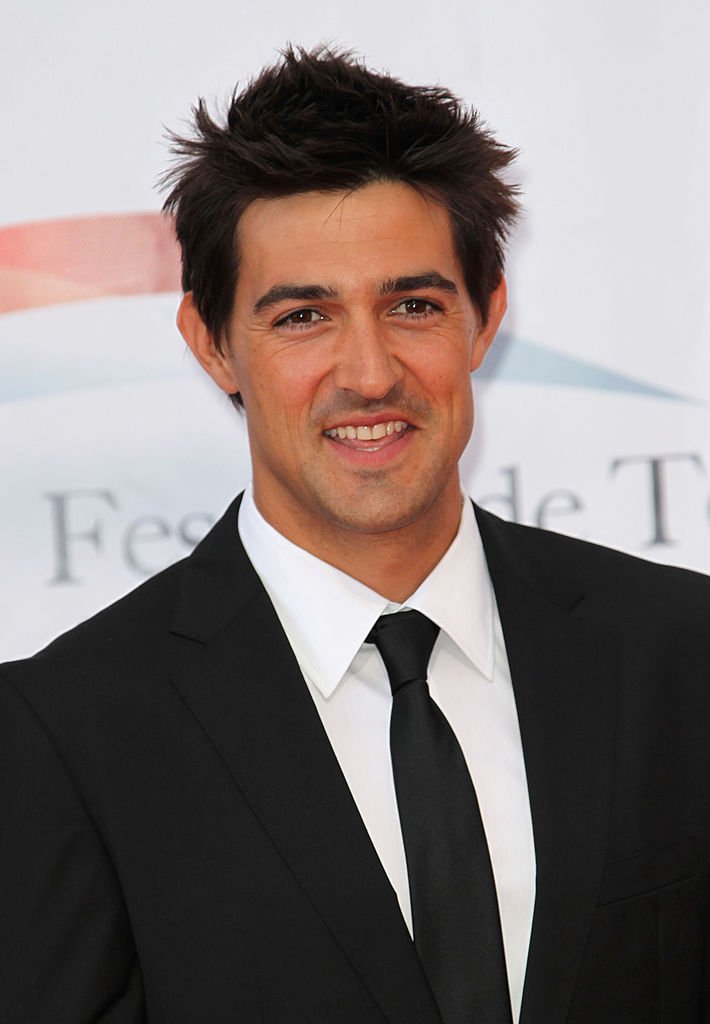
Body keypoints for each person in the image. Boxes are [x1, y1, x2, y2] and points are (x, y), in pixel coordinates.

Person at [1, 46, 709, 1024]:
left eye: (411, 305)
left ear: (485, 317)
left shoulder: (680, 653)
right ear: (212, 344)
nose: (369, 372)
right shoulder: (65, 733)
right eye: (303, 317)